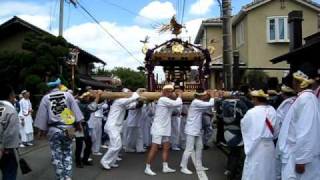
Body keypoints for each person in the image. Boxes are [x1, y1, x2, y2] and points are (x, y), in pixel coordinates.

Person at [34, 78, 84, 180]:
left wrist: (41, 131)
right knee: (67, 153)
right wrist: (79, 125)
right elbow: (75, 112)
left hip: (54, 129)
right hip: (69, 128)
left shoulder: (45, 98)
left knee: (56, 155)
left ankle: (61, 177)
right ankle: (68, 177)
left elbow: (42, 117)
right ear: (59, 86)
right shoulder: (68, 95)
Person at [278, 64, 320, 180]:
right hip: (294, 154)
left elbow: (307, 130)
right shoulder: (304, 98)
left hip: (300, 158)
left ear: (300, 82)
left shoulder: (307, 99)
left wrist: (302, 159)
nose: (292, 83)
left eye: (294, 80)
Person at [144, 85, 183, 176]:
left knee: (166, 147)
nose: (170, 92)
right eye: (168, 91)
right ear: (164, 92)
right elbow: (177, 103)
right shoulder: (162, 99)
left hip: (166, 128)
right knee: (155, 149)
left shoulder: (168, 100)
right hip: (158, 128)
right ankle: (147, 167)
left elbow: (176, 107)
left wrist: (176, 94)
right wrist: (180, 95)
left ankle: (165, 167)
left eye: (171, 91)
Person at [241, 90, 279, 180]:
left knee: (254, 170)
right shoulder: (273, 110)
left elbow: (245, 126)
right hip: (270, 146)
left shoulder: (251, 112)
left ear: (256, 99)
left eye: (253, 98)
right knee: (268, 171)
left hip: (255, 146)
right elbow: (277, 131)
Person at [100, 89, 140, 170]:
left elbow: (132, 105)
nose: (129, 94)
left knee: (114, 145)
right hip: (112, 126)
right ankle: (104, 161)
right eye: (127, 93)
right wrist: (137, 93)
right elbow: (132, 99)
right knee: (116, 145)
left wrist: (140, 101)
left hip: (115, 127)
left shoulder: (122, 103)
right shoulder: (119, 101)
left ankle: (111, 162)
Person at [180, 89, 215, 175]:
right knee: (189, 149)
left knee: (200, 147)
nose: (204, 96)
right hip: (191, 129)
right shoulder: (196, 102)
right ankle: (183, 166)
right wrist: (213, 96)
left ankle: (199, 166)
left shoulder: (199, 102)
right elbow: (210, 103)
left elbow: (208, 105)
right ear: (200, 96)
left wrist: (211, 96)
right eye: (203, 95)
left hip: (197, 129)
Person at [0, 84, 20, 180]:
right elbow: (11, 134)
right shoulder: (11, 111)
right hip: (6, 149)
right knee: (9, 172)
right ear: (10, 95)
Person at [75, 92, 94, 168]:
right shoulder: (82, 106)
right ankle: (79, 161)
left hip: (84, 126)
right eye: (86, 97)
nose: (88, 98)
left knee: (87, 144)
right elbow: (93, 108)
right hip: (79, 125)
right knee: (80, 145)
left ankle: (83, 160)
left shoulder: (81, 105)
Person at [87, 90, 106, 156]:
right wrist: (98, 95)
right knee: (92, 136)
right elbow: (93, 105)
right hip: (92, 119)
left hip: (98, 118)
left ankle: (95, 150)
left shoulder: (102, 102)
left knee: (97, 135)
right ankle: (90, 150)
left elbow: (103, 105)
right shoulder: (89, 101)